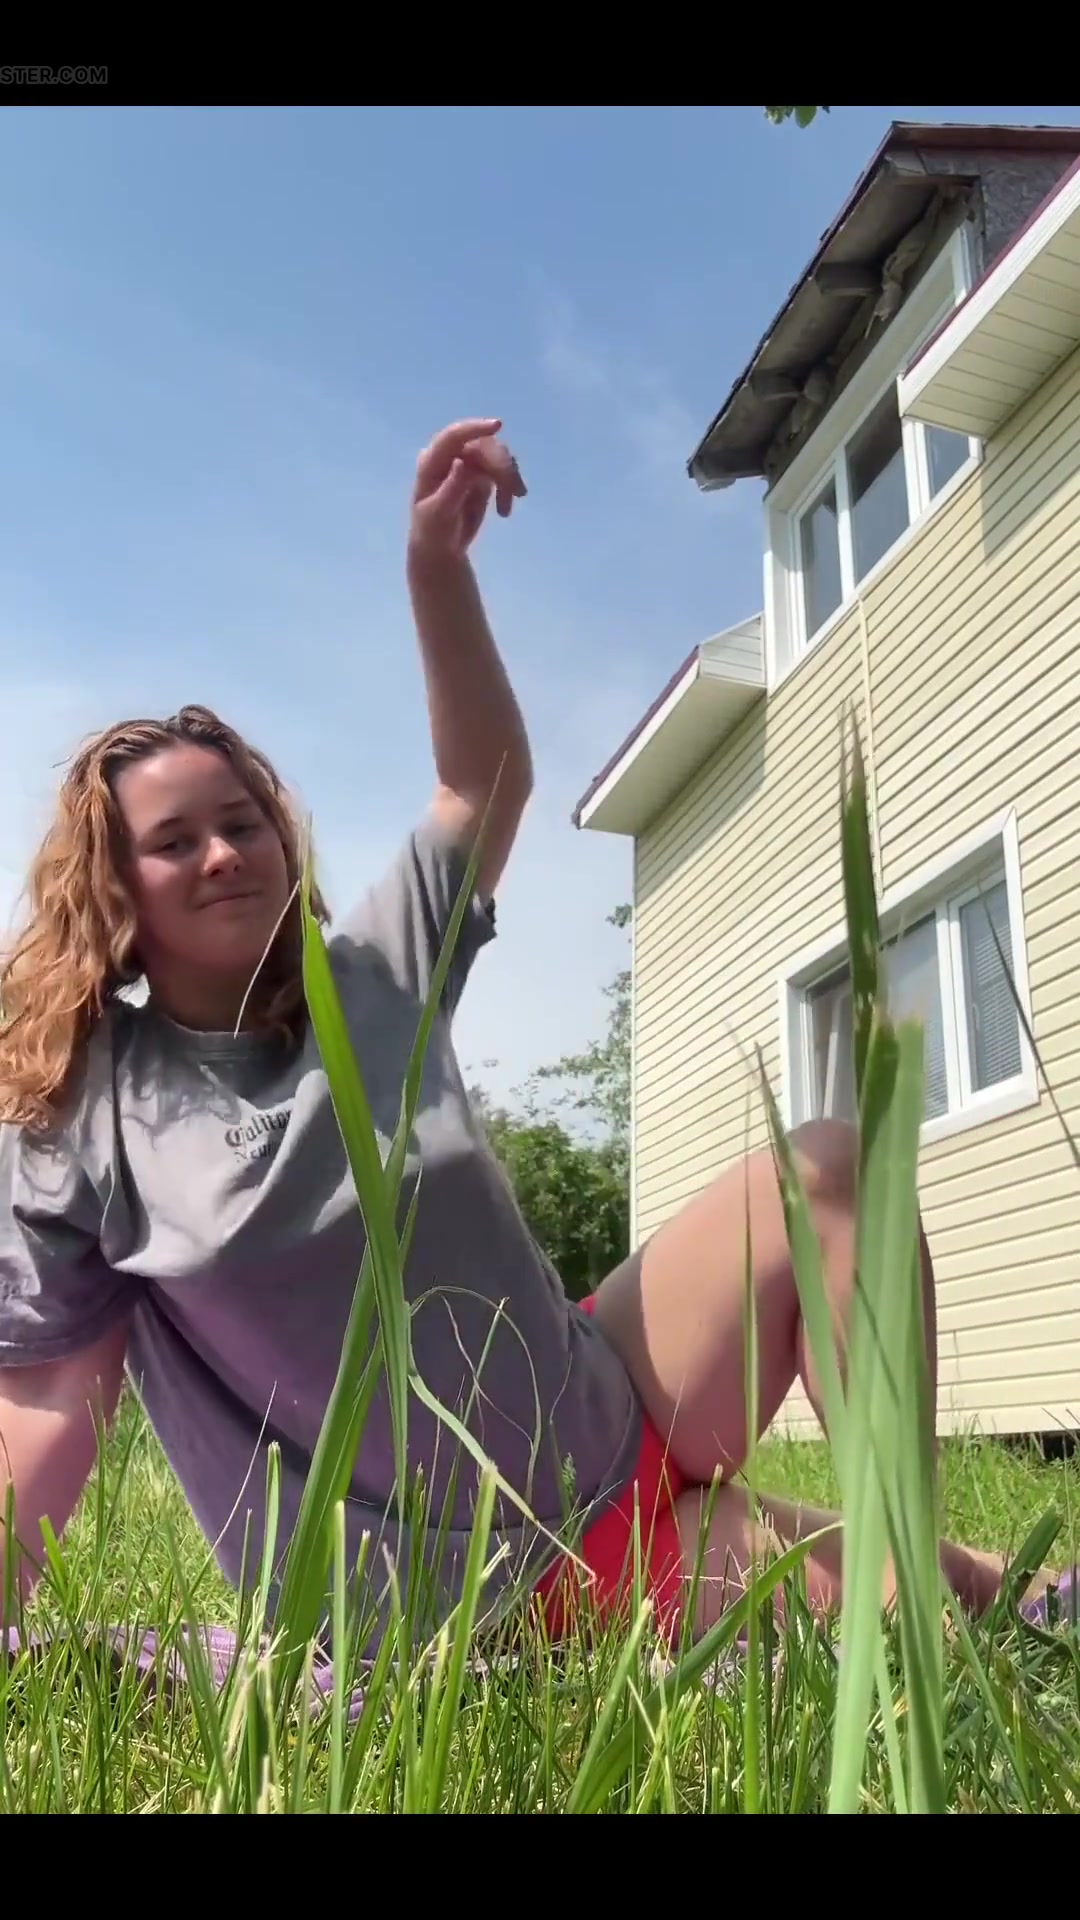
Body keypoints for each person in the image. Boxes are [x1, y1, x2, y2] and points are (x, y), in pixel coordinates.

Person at [0, 418, 1072, 1656]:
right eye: (173, 840)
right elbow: (47, 1405)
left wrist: (437, 570)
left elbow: (482, 784)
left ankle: (922, 1558)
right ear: (112, 885)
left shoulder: (373, 977)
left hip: (610, 1403)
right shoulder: (84, 1113)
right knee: (934, 1601)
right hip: (484, 1578)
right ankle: (953, 1603)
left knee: (832, 1165)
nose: (223, 853)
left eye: (242, 821)